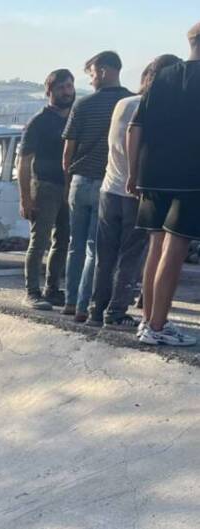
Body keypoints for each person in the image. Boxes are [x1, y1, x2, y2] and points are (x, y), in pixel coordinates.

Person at [90, 55, 181, 328]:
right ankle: (116, 312)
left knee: (104, 256)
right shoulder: (153, 109)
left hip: (109, 188)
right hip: (136, 192)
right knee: (130, 256)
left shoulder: (123, 104)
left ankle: (96, 309)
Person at [127, 23, 200, 346]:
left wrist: (133, 173)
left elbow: (136, 127)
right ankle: (157, 326)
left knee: (156, 248)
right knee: (175, 249)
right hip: (191, 177)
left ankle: (148, 322)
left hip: (152, 175)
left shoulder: (163, 77)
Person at [62, 51, 133, 322]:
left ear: (103, 71)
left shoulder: (83, 105)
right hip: (109, 183)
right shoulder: (130, 102)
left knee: (74, 245)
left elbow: (67, 151)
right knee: (96, 248)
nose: (90, 80)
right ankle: (84, 305)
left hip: (80, 181)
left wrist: (69, 179)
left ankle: (70, 301)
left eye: (91, 73)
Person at [18, 69, 76, 310]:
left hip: (69, 188)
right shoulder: (38, 122)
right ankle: (32, 292)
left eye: (70, 86)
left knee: (62, 241)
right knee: (39, 241)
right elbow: (24, 162)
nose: (67, 91)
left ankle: (52, 289)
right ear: (49, 91)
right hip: (44, 186)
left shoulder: (74, 118)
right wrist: (25, 198)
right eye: (62, 87)